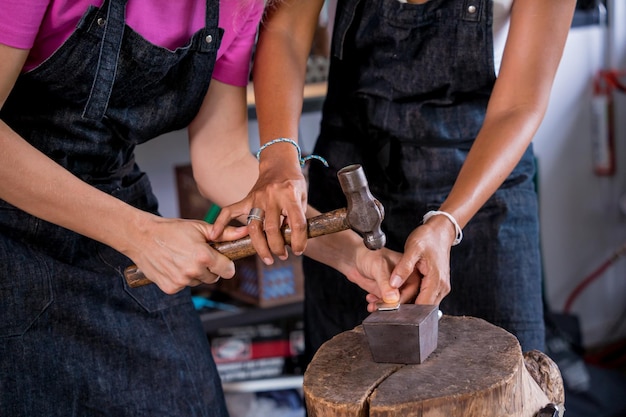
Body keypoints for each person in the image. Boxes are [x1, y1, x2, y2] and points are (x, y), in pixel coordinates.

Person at [0, 0, 407, 415]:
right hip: (12, 226)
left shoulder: (241, 5)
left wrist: (352, 255)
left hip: (114, 198)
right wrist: (138, 234)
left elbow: (222, 158)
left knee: (191, 401)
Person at [243, 0, 577, 364]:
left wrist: (447, 222)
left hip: (481, 186)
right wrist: (278, 155)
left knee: (507, 375)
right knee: (349, 380)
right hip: (350, 174)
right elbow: (285, 30)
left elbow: (519, 104)